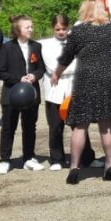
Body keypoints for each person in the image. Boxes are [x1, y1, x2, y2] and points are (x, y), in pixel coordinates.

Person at [52, 0, 111, 185]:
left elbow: (66, 57)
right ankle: (110, 164)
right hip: (109, 81)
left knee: (81, 125)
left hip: (85, 80)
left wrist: (57, 73)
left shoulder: (79, 31)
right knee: (107, 124)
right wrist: (110, 56)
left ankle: (74, 167)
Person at [0, 15, 47, 174]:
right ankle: (5, 159)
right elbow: (1, 71)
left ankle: (28, 158)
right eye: (27, 27)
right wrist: (18, 79)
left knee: (30, 127)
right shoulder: (7, 47)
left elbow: (41, 68)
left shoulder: (36, 46)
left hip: (31, 94)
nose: (31, 29)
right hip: (11, 93)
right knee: (8, 128)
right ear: (17, 29)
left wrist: (34, 76)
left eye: (31, 26)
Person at [38, 12, 80, 170]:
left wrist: (68, 67)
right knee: (55, 125)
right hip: (55, 89)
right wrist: (69, 67)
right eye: (57, 29)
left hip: (73, 87)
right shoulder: (45, 45)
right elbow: (52, 66)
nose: (61, 32)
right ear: (53, 29)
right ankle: (57, 159)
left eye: (63, 29)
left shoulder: (76, 43)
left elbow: (79, 63)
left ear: (68, 28)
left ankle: (85, 156)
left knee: (78, 125)